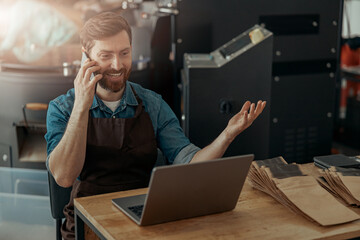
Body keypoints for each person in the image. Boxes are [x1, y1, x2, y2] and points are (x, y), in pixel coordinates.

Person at [45, 12, 266, 240]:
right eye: (105, 55)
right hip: (86, 226)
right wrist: (82, 104)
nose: (117, 65)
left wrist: (227, 135)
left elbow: (189, 163)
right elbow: (64, 176)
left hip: (143, 222)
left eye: (124, 53)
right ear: (86, 57)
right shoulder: (62, 108)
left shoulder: (152, 104)